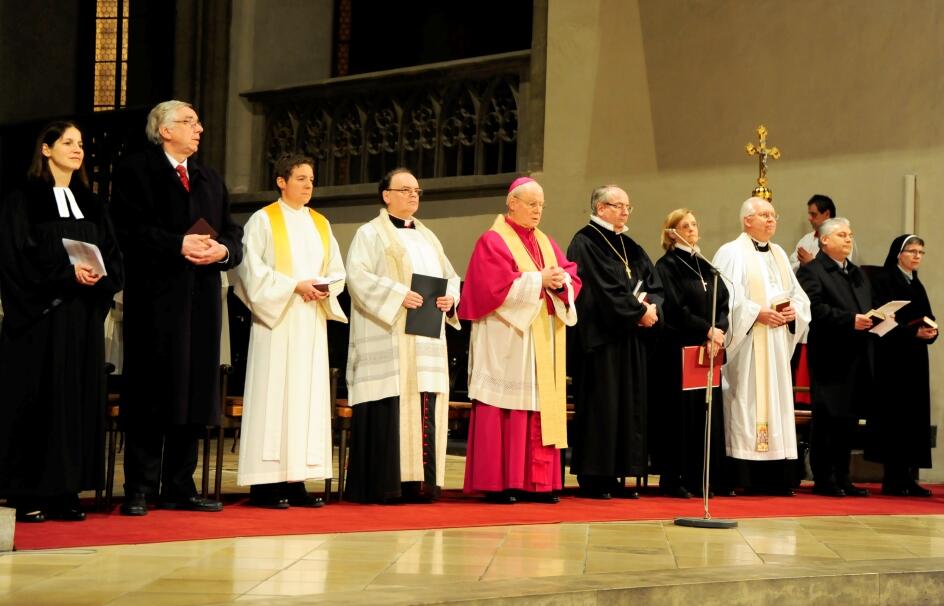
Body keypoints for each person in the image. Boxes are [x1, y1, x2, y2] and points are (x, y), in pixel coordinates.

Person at [110, 100, 243, 515]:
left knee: (194, 392)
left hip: (201, 298)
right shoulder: (137, 170)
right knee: (152, 390)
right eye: (189, 122)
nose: (199, 128)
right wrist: (176, 244)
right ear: (164, 130)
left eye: (199, 121)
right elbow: (127, 230)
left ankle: (180, 486)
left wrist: (223, 250)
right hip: (157, 298)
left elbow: (233, 231)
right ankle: (139, 487)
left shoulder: (209, 178)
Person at [0, 121, 123, 522]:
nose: (77, 149)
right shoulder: (23, 198)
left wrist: (99, 277)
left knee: (76, 403)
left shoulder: (92, 202)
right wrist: (63, 276)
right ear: (46, 149)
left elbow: (112, 255)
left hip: (82, 318)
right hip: (40, 317)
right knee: (38, 401)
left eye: (81, 144)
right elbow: (16, 258)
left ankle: (66, 491)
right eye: (67, 143)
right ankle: (28, 491)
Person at [234, 154, 347, 508]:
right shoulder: (263, 220)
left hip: (310, 322)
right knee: (274, 398)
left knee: (306, 400)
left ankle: (296, 480)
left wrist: (323, 286)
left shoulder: (321, 223)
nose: (308, 185)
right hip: (276, 322)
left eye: (311, 179)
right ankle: (265, 484)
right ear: (281, 182)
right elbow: (250, 270)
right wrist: (294, 286)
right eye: (300, 178)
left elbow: (337, 270)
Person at [460, 177, 582, 504]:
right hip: (506, 338)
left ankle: (538, 483)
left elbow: (569, 274)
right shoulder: (493, 240)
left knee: (538, 408)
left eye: (541, 205)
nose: (537, 210)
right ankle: (502, 483)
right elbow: (491, 287)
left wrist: (560, 284)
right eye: (531, 203)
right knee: (506, 405)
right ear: (512, 202)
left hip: (538, 337)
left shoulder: (544, 241)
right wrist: (538, 280)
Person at [344, 168, 460, 503]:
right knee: (391, 404)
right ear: (386, 195)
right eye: (405, 189)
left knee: (423, 400)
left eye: (417, 190)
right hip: (389, 335)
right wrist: (398, 294)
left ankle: (420, 484)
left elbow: (451, 276)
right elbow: (358, 278)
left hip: (425, 339)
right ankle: (386, 485)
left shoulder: (428, 237)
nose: (413, 195)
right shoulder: (370, 234)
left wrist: (450, 298)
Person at [566, 185, 661, 499]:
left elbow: (652, 281)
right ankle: (595, 476)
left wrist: (651, 307)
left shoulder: (630, 245)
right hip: (601, 340)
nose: (624, 211)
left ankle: (621, 472)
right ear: (600, 207)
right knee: (602, 407)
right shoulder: (585, 241)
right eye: (618, 205)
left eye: (627, 206)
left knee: (628, 405)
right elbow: (601, 288)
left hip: (630, 339)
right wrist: (638, 312)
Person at [712, 197, 810, 495]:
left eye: (773, 215)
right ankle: (743, 475)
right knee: (746, 403)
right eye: (764, 215)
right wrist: (757, 313)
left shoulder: (780, 254)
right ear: (747, 220)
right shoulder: (730, 252)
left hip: (777, 344)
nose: (771, 220)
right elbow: (724, 298)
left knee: (775, 404)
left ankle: (775, 476)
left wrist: (794, 312)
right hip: (749, 344)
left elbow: (798, 296)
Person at [653, 209, 731, 498]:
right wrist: (706, 331)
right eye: (685, 225)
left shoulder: (705, 264)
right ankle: (676, 478)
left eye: (695, 224)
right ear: (671, 232)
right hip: (680, 349)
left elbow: (723, 301)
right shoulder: (667, 265)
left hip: (709, 351)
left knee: (705, 414)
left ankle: (704, 478)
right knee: (681, 416)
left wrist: (719, 331)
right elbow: (674, 308)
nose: (692, 229)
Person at [796, 218, 873, 497]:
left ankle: (843, 476)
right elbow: (813, 309)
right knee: (828, 417)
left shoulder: (855, 272)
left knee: (848, 420)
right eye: (842, 235)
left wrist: (875, 319)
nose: (849, 239)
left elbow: (866, 305)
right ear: (824, 240)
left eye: (850, 234)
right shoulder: (813, 271)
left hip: (856, 354)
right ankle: (824, 476)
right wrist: (850, 320)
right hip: (829, 354)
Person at [866, 234, 938, 497]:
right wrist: (912, 334)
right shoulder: (884, 280)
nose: (917, 256)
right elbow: (880, 321)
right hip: (892, 361)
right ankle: (893, 478)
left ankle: (907, 477)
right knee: (895, 418)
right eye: (912, 251)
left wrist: (932, 332)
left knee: (912, 419)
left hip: (915, 360)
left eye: (921, 252)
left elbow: (928, 317)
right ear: (899, 253)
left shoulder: (916, 284)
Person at [790, 194, 853, 271]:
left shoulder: (845, 240)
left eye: (813, 214)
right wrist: (801, 264)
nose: (809, 218)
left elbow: (842, 269)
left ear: (827, 214)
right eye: (809, 214)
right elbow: (790, 266)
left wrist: (812, 263)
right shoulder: (806, 239)